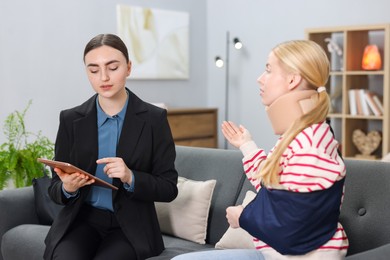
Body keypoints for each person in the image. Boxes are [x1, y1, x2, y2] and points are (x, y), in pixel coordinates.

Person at [173, 40, 348, 260]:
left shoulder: (310, 146)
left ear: (293, 80)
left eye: (268, 70)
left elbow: (291, 228)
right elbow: (274, 182)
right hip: (275, 253)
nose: (260, 78)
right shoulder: (300, 136)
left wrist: (243, 216)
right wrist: (246, 145)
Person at [43, 33, 178, 260]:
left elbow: (169, 188)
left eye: (112, 67)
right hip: (82, 220)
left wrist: (130, 177)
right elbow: (55, 189)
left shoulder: (154, 119)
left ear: (128, 68)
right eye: (94, 70)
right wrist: (68, 188)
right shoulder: (70, 119)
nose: (103, 77)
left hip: (131, 226)